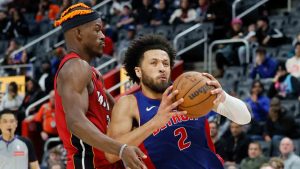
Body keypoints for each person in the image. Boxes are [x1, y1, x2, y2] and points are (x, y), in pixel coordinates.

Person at [106, 35, 251, 168]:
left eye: (165, 63)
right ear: (138, 71)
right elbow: (111, 154)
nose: (162, 68)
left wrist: (224, 96)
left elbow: (244, 118)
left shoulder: (189, 92)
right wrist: (154, 122)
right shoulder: (130, 103)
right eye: (154, 63)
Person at [53, 3, 163, 169]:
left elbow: (120, 114)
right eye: (97, 30)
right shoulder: (75, 67)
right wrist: (121, 149)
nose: (103, 36)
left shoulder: (94, 74)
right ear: (79, 33)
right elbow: (75, 122)